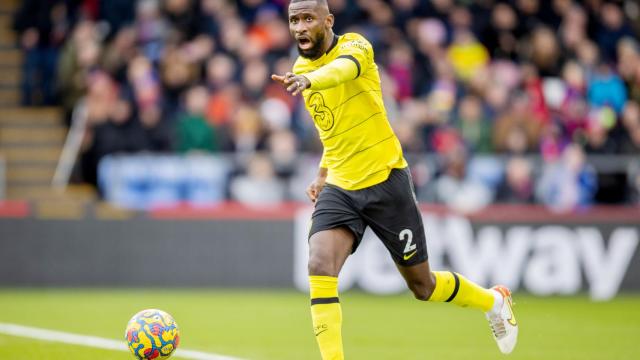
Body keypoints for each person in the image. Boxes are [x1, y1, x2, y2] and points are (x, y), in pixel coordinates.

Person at [271, 1, 519, 359]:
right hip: (341, 185)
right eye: (294, 20)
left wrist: (310, 78)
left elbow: (341, 71)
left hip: (386, 179)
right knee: (319, 263)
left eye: (308, 18)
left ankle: (493, 301)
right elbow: (333, 130)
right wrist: (323, 172)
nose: (299, 27)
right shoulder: (298, 68)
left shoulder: (355, 46)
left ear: (328, 21)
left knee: (423, 285)